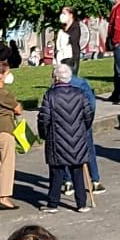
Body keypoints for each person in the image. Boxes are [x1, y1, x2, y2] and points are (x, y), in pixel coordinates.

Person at [37, 63, 95, 213]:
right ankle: (81, 203)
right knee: (77, 171)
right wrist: (84, 129)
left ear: (56, 77)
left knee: (56, 172)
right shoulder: (80, 93)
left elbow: (44, 118)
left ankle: (53, 203)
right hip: (77, 137)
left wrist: (44, 134)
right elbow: (88, 114)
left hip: (57, 139)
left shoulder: (50, 95)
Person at [0, 59, 26, 204]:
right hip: (5, 128)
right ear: (1, 75)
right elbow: (18, 109)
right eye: (7, 72)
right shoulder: (4, 93)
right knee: (6, 163)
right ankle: (4, 196)